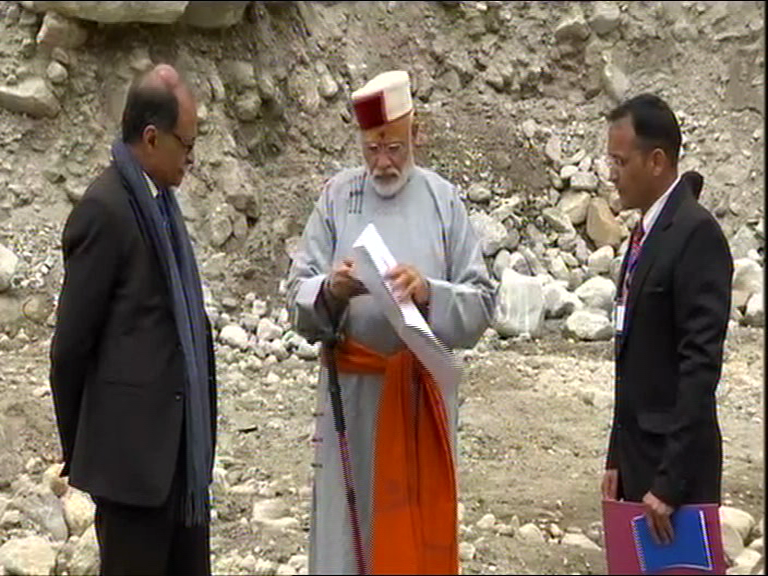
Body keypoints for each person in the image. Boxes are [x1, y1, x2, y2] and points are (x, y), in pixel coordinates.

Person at [287, 70, 495, 574]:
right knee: (346, 532)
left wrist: (428, 294)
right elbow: (298, 292)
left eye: (395, 149)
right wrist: (331, 291)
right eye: (372, 149)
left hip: (420, 399)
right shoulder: (337, 197)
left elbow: (482, 301)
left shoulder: (443, 201)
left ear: (416, 135)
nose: (383, 163)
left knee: (413, 532)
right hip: (352, 399)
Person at [50, 64, 216, 576]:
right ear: (151, 138)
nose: (192, 157)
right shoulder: (106, 210)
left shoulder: (161, 203)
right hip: (132, 472)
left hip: (180, 466)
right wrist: (93, 452)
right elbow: (70, 350)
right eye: (185, 144)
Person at [601, 94, 733, 545]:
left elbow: (700, 366)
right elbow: (631, 358)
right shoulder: (644, 235)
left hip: (674, 478)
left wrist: (669, 482)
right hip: (638, 463)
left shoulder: (697, 235)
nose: (611, 173)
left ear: (656, 161)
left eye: (620, 160)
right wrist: (615, 457)